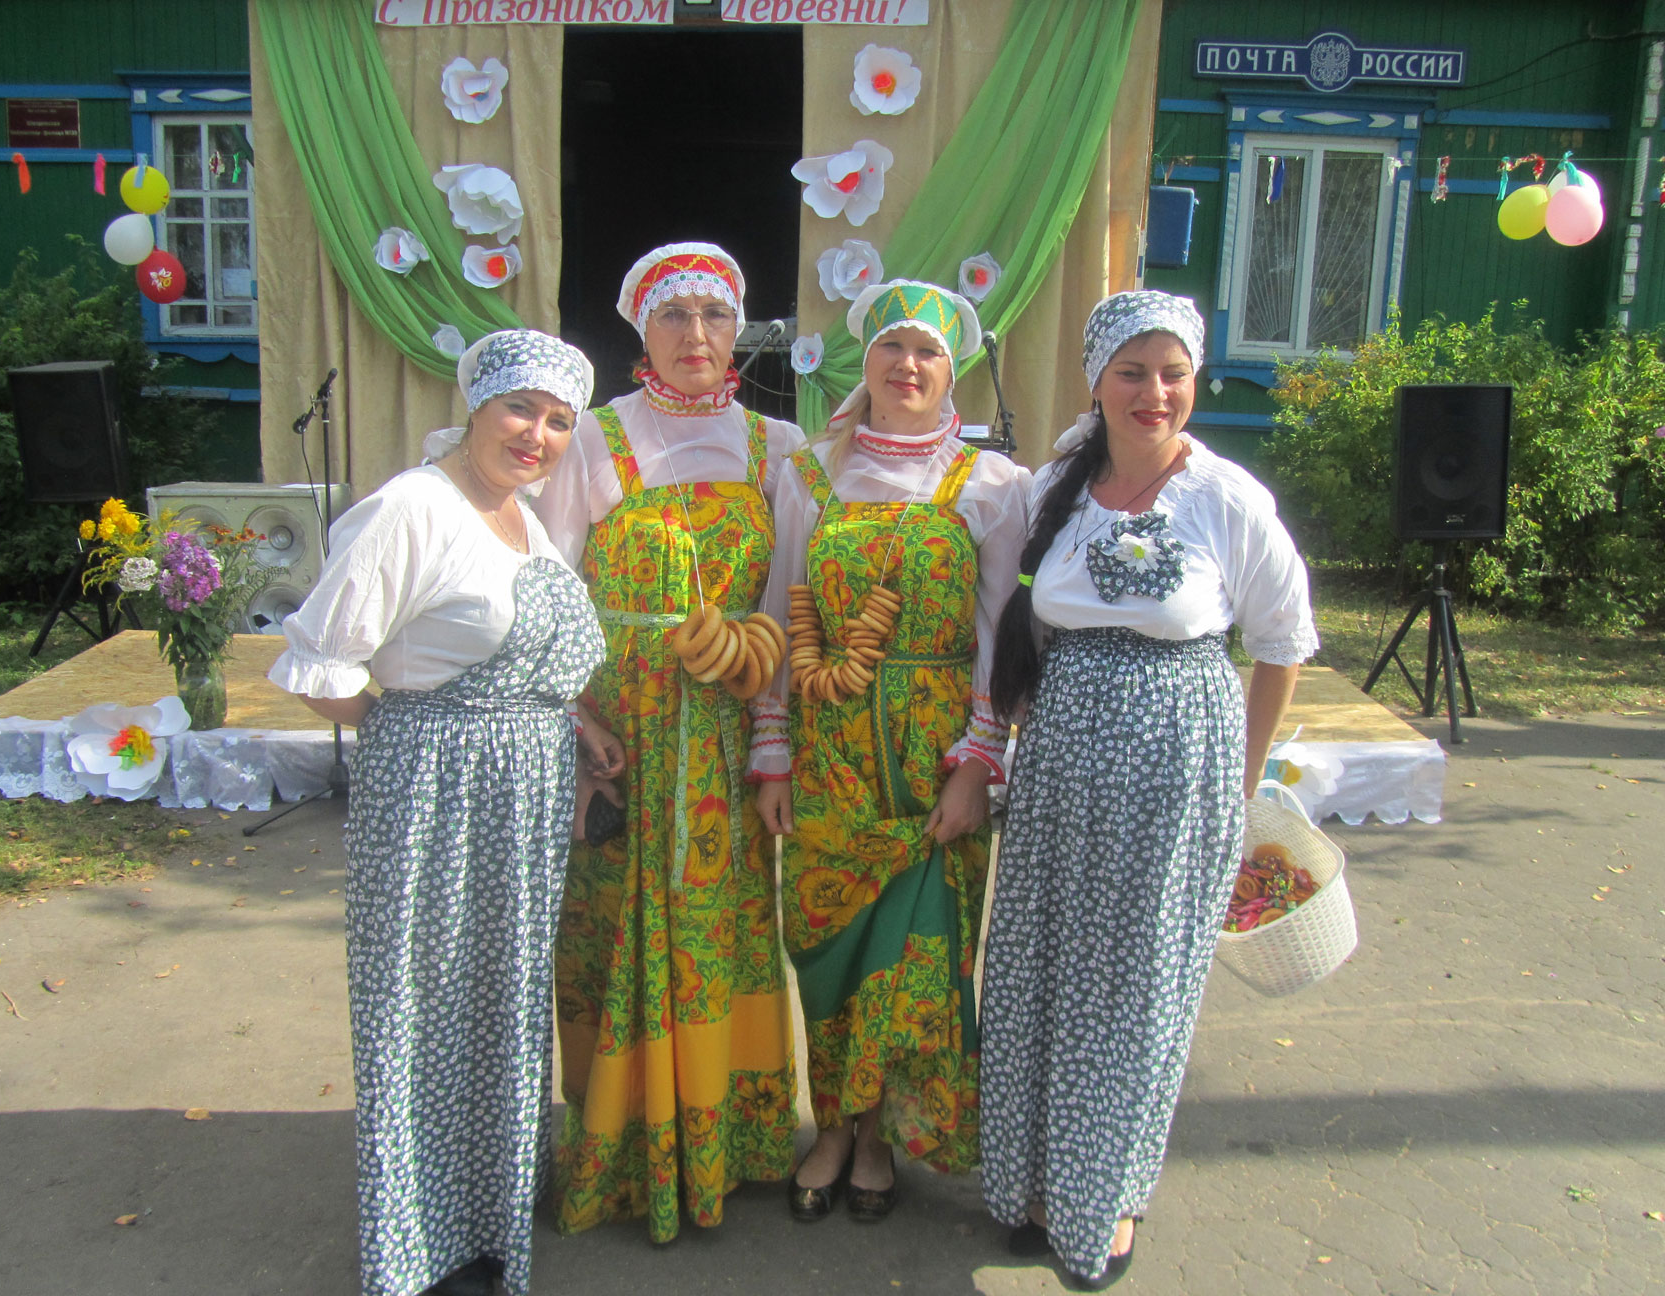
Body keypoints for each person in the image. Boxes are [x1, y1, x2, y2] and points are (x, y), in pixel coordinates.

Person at [978, 291, 1318, 1291]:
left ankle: (1108, 1196)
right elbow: (1025, 624)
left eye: (1173, 372)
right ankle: (1033, 1182)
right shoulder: (1056, 489)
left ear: (1196, 381)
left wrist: (1240, 780)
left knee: (1133, 991)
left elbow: (1285, 643)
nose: (1154, 393)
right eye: (1132, 371)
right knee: (1038, 972)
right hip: (1061, 770)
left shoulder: (1226, 497)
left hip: (1178, 767)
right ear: (1097, 380)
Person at [268, 330, 613, 1296]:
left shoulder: (522, 517)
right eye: (520, 409)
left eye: (557, 421)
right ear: (476, 405)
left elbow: (512, 643)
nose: (536, 435)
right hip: (435, 796)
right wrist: (414, 742)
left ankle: (487, 1215)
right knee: (421, 1010)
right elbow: (319, 664)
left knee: (497, 1005)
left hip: (527, 795)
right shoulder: (413, 507)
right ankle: (417, 1243)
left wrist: (577, 728)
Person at [531, 242, 806, 1242]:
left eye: (717, 315)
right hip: (623, 744)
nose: (698, 335)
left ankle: (723, 1144)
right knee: (610, 938)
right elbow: (549, 589)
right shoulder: (595, 441)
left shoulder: (780, 446)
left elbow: (782, 613)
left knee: (723, 935)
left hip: (725, 751)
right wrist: (573, 717)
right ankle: (617, 1143)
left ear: (741, 329)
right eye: (675, 315)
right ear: (639, 328)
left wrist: (770, 749)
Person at [754, 280, 1030, 1222]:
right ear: (861, 363)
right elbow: (778, 610)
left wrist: (977, 762)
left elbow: (1001, 634)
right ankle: (830, 1122)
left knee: (916, 958)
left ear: (954, 373)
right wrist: (773, 748)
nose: (907, 368)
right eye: (892, 350)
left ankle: (878, 1137)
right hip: (829, 755)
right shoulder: (806, 476)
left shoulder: (992, 487)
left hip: (932, 766)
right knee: (822, 947)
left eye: (929, 354)